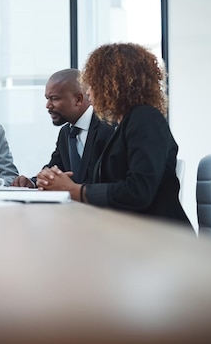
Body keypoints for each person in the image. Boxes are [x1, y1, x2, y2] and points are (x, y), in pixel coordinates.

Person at [37, 43, 191, 228]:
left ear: (113, 85)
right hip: (130, 229)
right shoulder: (125, 124)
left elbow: (138, 192)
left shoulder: (145, 119)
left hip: (159, 236)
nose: (88, 91)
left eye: (93, 84)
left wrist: (74, 190)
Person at [11, 68, 113, 188]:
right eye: (47, 99)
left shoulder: (109, 127)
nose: (48, 105)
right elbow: (55, 168)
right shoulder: (66, 132)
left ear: (78, 99)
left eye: (54, 98)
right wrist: (33, 182)